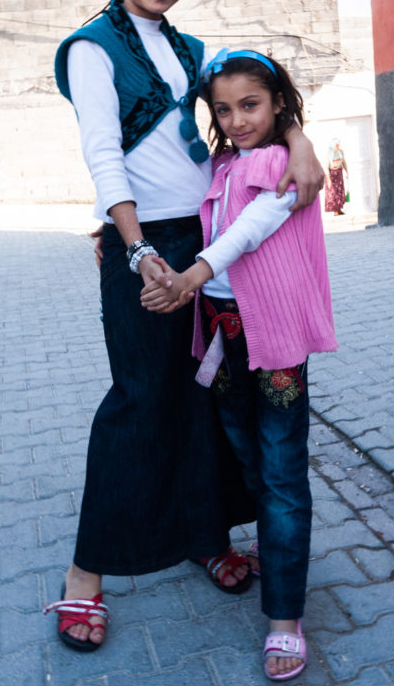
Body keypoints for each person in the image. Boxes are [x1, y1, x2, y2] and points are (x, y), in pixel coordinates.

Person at [46, 0, 324, 653]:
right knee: (139, 401)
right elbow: (104, 154)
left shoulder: (191, 48)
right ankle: (84, 577)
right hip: (147, 242)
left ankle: (205, 536)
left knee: (202, 397)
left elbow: (257, 93)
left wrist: (298, 139)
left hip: (209, 236)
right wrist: (134, 248)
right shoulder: (92, 49)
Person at [141, 49, 338, 681]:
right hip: (225, 338)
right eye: (223, 110)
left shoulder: (283, 162)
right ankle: (282, 547)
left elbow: (251, 229)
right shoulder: (223, 163)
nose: (235, 120)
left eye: (250, 105)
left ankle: (284, 618)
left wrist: (193, 274)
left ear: (278, 102)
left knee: (281, 472)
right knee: (246, 453)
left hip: (273, 339)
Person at [325, 137, 348, 215]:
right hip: (332, 173)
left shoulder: (340, 152)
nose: (338, 146)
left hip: (339, 172)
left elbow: (343, 162)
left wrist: (347, 171)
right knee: (333, 192)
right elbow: (326, 166)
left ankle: (339, 209)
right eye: (336, 145)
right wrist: (328, 178)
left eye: (338, 144)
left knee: (340, 190)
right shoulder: (329, 153)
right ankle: (335, 210)